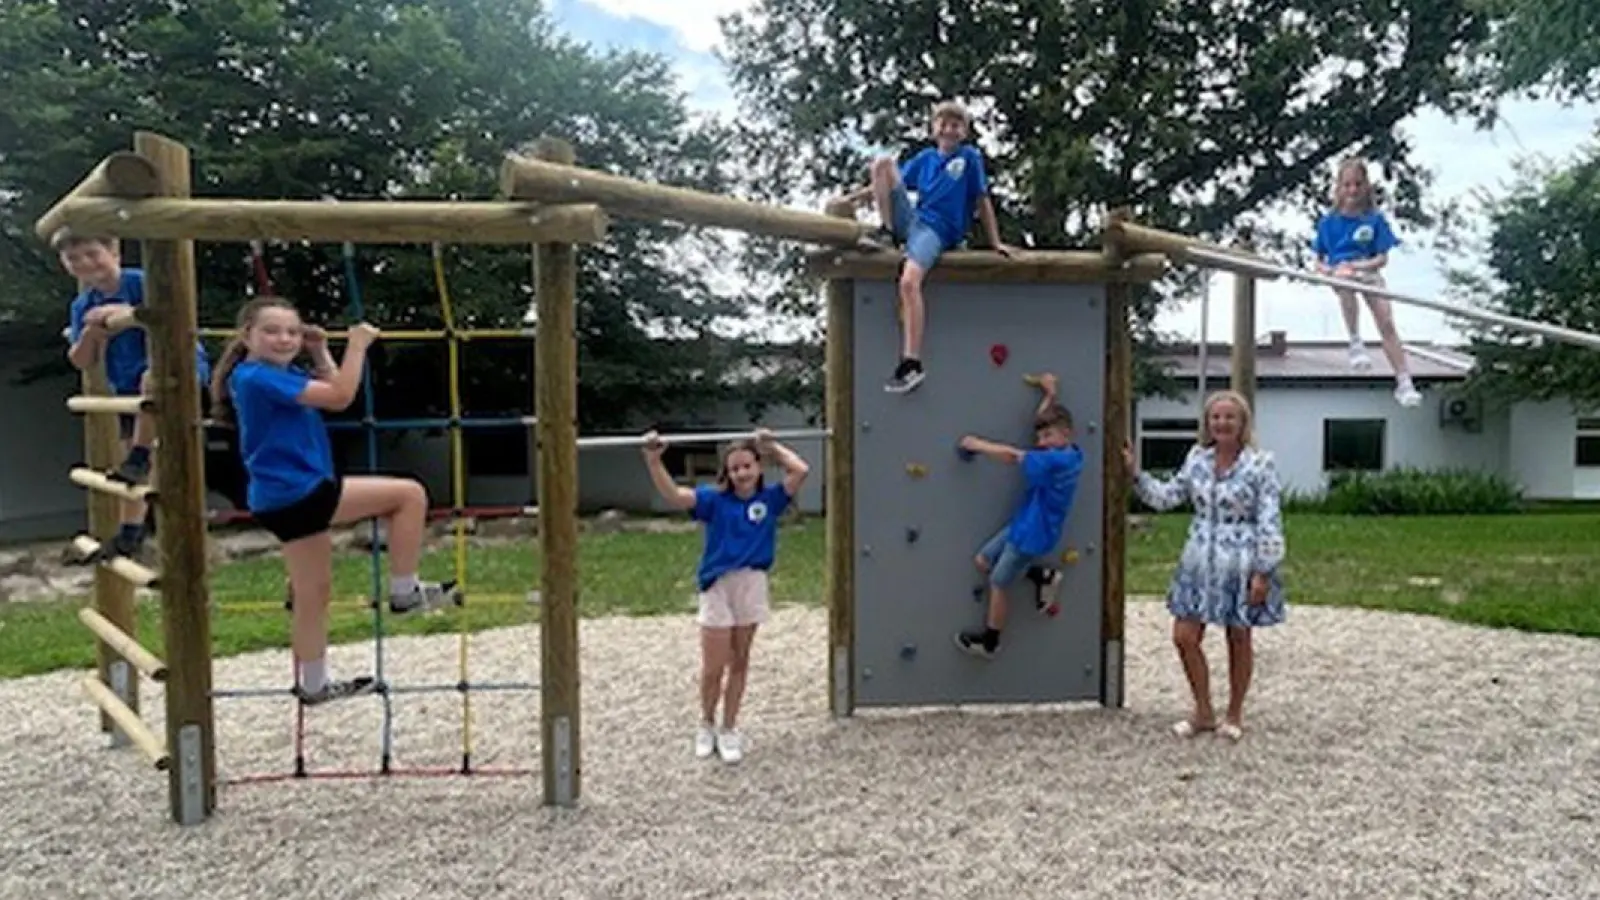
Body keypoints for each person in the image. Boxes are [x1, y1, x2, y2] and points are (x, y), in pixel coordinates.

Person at [210, 296, 459, 705]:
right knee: (409, 495)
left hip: (278, 497)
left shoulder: (267, 375)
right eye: (270, 331)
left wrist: (321, 351)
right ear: (247, 336)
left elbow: (331, 389)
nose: (283, 338)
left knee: (313, 595)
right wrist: (357, 344)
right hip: (301, 491)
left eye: (292, 331)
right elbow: (342, 396)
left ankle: (313, 685)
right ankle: (404, 590)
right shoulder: (258, 377)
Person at [1123, 390, 1286, 742]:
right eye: (1216, 417)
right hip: (1198, 560)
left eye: (1230, 417)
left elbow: (1270, 519)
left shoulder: (1260, 464)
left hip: (1241, 559)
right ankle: (1203, 710)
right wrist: (1136, 475)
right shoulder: (1196, 459)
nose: (1222, 423)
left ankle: (1235, 713)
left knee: (1238, 637)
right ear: (1207, 423)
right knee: (1184, 636)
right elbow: (1167, 497)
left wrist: (1264, 570)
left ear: (1243, 423)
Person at [640, 427, 810, 764]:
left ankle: (729, 727)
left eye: (747, 466)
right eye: (734, 469)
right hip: (719, 586)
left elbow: (800, 470)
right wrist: (653, 460)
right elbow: (674, 495)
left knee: (740, 661)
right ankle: (706, 723)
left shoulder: (770, 500)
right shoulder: (714, 501)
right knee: (713, 666)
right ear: (727, 474)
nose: (741, 473)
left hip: (752, 583)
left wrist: (771, 445)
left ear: (757, 468)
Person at [832, 100, 1015, 394]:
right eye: (943, 123)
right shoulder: (926, 158)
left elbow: (982, 199)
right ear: (933, 129)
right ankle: (888, 231)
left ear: (964, 132)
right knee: (882, 164)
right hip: (913, 222)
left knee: (909, 282)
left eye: (956, 124)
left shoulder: (969, 158)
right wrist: (851, 199)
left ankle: (911, 362)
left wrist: (994, 241)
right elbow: (891, 183)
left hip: (938, 229)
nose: (948, 129)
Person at [59, 232, 213, 557]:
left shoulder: (141, 282)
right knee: (131, 475)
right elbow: (82, 360)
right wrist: (91, 335)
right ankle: (130, 534)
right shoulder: (83, 304)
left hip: (178, 370)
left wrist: (125, 312)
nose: (85, 263)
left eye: (91, 253)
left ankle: (140, 455)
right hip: (129, 389)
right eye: (74, 259)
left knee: (151, 381)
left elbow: (172, 317)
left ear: (114, 251)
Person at [953, 373, 1083, 659]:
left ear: (1067, 435)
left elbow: (1012, 456)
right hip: (1024, 523)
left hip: (1032, 534)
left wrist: (977, 445)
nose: (1041, 441)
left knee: (999, 583)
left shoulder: (1058, 460)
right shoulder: (1067, 452)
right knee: (983, 560)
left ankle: (991, 641)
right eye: (1040, 436)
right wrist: (1049, 396)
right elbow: (1044, 426)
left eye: (1048, 436)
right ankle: (1041, 575)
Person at [1312, 157, 1421, 408]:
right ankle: (1355, 342)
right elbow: (1318, 260)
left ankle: (1404, 382)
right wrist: (1330, 270)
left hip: (1367, 271)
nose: (1352, 190)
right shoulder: (1328, 222)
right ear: (1339, 187)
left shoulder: (1374, 220)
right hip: (1341, 272)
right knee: (1346, 285)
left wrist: (1359, 267)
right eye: (1347, 185)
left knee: (1386, 321)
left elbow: (1381, 258)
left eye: (1357, 185)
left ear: (1365, 187)